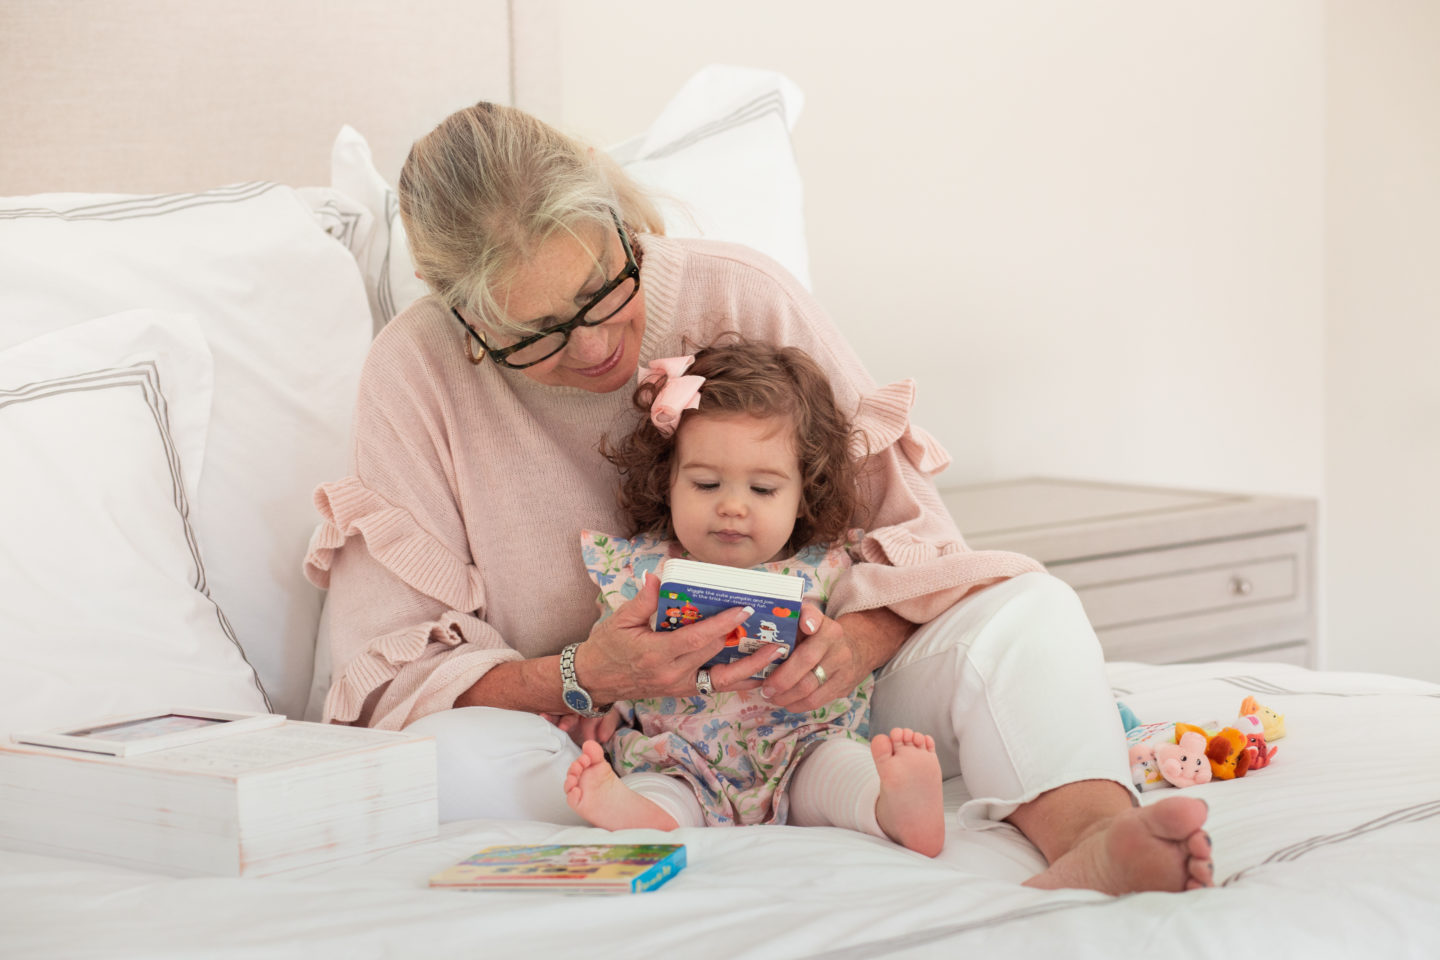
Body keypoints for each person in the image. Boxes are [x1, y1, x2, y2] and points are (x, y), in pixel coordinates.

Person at [303, 100, 1213, 894]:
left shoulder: (736, 292)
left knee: (1030, 610)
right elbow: (396, 680)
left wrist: (851, 646)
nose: (589, 352)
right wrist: (586, 674)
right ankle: (646, 818)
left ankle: (1095, 841)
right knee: (443, 760)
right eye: (532, 334)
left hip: (828, 709)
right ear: (459, 314)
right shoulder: (414, 374)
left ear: (621, 222)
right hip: (609, 739)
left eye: (600, 292)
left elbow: (916, 538)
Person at [564, 337, 945, 857]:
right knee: (659, 786)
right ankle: (643, 819)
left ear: (803, 493)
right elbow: (611, 664)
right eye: (705, 484)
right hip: (681, 756)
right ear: (668, 481)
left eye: (762, 490)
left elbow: (924, 590)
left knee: (839, 771)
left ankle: (890, 806)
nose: (733, 508)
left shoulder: (833, 566)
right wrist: (601, 709)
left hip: (802, 746)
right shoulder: (638, 573)